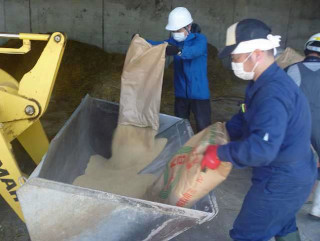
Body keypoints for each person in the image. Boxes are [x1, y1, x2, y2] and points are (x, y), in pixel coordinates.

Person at [201, 19, 317, 241]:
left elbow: (261, 149)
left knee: (247, 234)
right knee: (282, 225)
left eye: (235, 58)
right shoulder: (262, 82)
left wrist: (220, 153)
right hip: (293, 172)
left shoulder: (273, 92)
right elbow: (248, 114)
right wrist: (225, 130)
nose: (233, 63)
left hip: (282, 178)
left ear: (255, 53)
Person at [147, 7, 211, 132]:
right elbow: (156, 45)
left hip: (199, 94)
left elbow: (193, 52)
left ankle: (203, 151)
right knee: (180, 127)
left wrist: (179, 51)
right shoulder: (173, 42)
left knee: (204, 128)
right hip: (181, 93)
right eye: (173, 30)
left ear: (189, 26)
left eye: (178, 29)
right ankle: (183, 150)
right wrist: (141, 41)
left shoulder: (200, 40)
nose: (175, 32)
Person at [286, 33, 320, 219]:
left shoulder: (292, 69)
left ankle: (289, 201)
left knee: (292, 160)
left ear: (306, 49)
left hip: (297, 124)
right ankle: (317, 210)